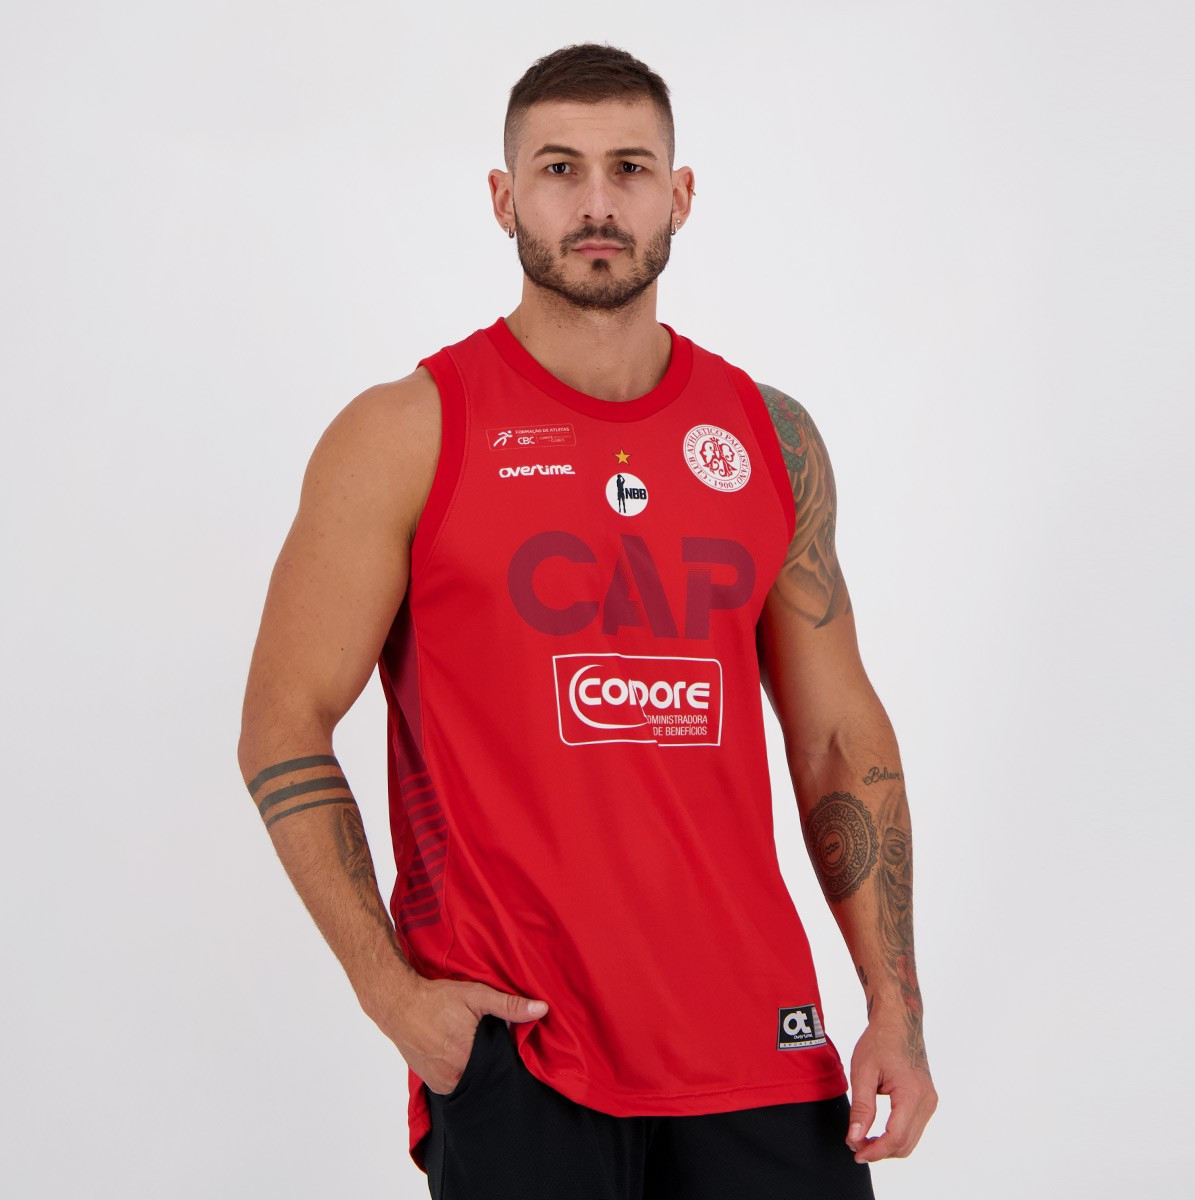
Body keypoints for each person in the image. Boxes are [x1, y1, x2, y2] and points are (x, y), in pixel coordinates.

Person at [237, 41, 937, 1200]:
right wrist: (391, 995)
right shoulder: (408, 432)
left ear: (681, 194)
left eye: (630, 168)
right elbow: (282, 720)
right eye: (559, 168)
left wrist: (896, 1007)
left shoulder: (769, 436)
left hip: (759, 1046)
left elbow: (835, 738)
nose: (597, 203)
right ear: (504, 196)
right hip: (524, 1053)